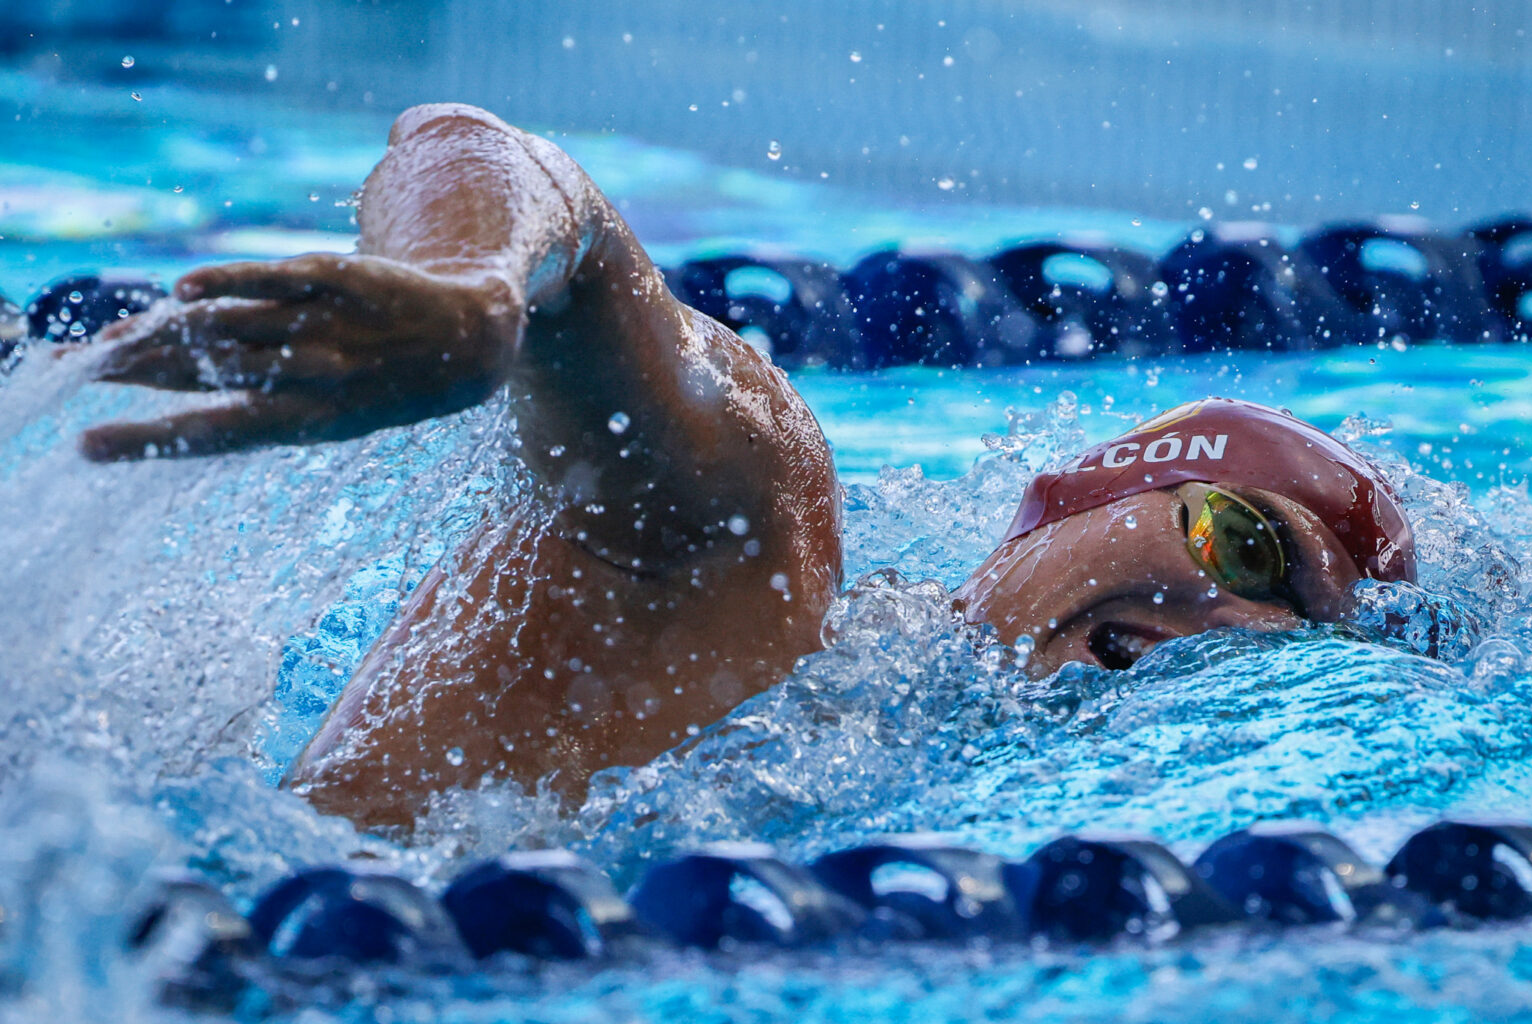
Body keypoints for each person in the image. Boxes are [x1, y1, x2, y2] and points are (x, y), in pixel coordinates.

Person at [81, 104, 1416, 830]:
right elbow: (488, 154)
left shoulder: (908, 787)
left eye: (1294, 633)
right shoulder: (757, 548)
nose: (1230, 629)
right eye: (1242, 543)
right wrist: (468, 296)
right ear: (1060, 515)